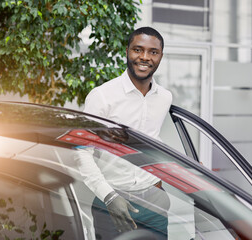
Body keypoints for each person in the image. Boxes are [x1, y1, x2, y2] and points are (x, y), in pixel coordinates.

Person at [79, 26, 172, 239]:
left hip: (154, 200)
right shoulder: (102, 96)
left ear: (160, 57)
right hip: (113, 201)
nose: (145, 57)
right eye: (138, 50)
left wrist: (186, 168)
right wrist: (109, 197)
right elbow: (81, 151)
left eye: (153, 52)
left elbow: (152, 138)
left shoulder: (165, 97)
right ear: (127, 51)